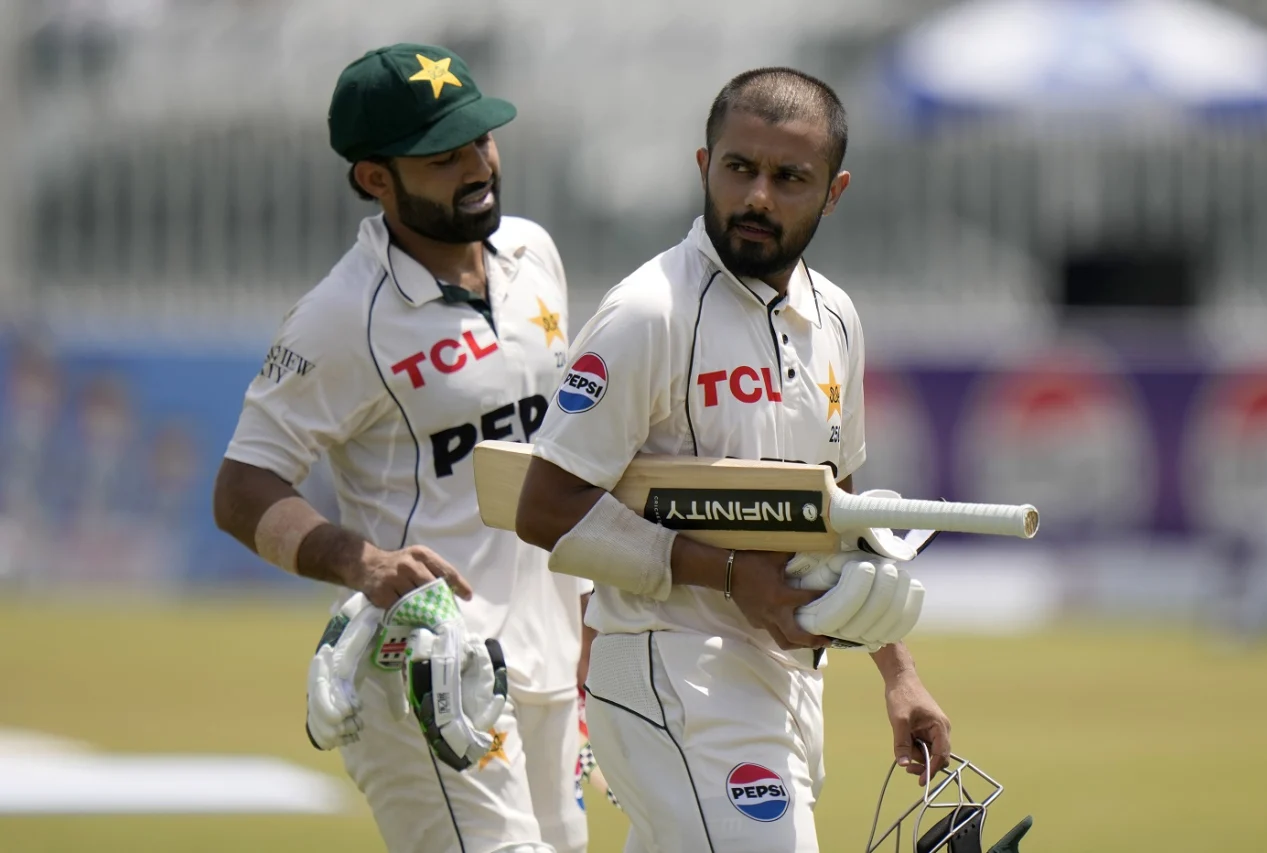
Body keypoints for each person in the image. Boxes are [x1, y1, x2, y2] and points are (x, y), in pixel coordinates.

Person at [514, 67, 951, 853]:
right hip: (667, 670)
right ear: (703, 166)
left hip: (784, 681)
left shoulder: (837, 318)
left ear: (834, 191)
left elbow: (834, 508)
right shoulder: (648, 313)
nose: (757, 197)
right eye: (739, 168)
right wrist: (726, 573)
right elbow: (545, 505)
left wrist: (898, 672)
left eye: (790, 178)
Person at [212, 43, 589, 853]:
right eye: (442, 157)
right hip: (429, 665)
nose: (477, 166)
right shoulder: (342, 317)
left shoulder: (533, 256)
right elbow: (242, 487)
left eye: (481, 140)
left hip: (550, 668)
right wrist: (363, 564)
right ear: (375, 179)